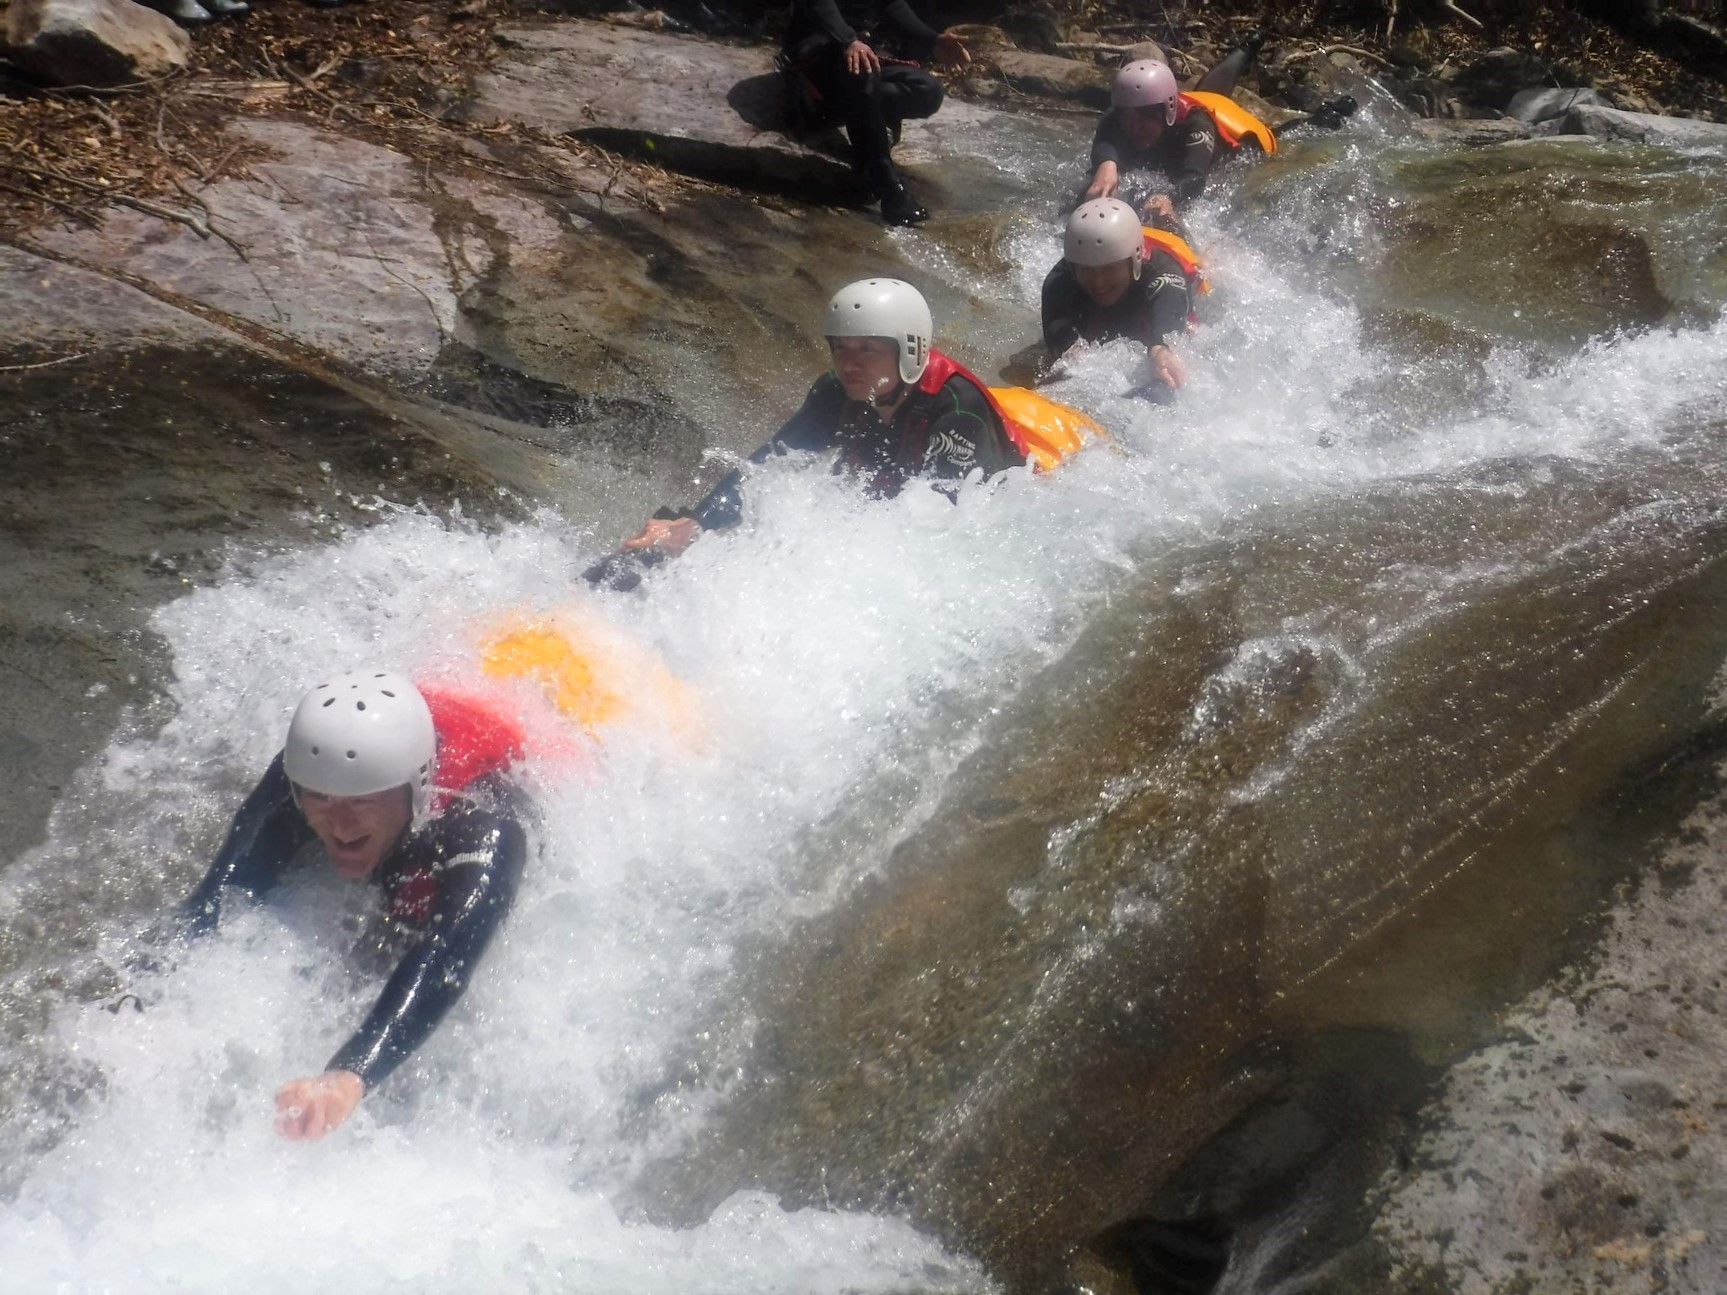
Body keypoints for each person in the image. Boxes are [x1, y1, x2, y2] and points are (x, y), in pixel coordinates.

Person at [180, 670, 529, 1141]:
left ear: (416, 788)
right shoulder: (312, 769)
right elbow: (215, 901)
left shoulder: (484, 823)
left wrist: (350, 1072)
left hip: (530, 731)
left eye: (362, 802)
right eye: (320, 800)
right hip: (424, 715)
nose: (339, 824)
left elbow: (447, 955)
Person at [610, 278, 1027, 567]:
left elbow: (938, 528)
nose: (849, 363)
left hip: (993, 510)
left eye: (867, 349)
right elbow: (770, 463)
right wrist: (698, 523)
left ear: (910, 351)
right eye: (840, 347)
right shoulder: (836, 390)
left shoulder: (957, 410)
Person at [780, 0, 972, 225]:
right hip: (815, 56)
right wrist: (849, 40)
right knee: (863, 73)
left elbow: (891, 5)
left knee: (928, 90)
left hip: (855, 61)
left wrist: (933, 40)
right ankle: (889, 187)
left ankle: (862, 112)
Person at [1082, 33, 1268, 216]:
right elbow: (1107, 126)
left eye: (1144, 119)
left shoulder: (1196, 124)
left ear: (1167, 113)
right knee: (1206, 92)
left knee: (1213, 96)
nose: (1134, 128)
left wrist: (1169, 198)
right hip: (1186, 101)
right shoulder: (1118, 117)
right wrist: (1107, 164)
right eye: (1127, 118)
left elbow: (1194, 178)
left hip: (1232, 144)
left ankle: (1245, 50)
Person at [1041, 198, 1204, 395]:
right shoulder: (1059, 280)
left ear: (1134, 262)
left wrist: (1161, 349)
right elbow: (1058, 331)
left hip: (1169, 251)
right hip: (1126, 246)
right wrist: (1072, 353)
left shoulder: (1162, 271)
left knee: (1204, 267)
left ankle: (1165, 211)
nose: (1098, 282)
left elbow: (1169, 308)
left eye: (1109, 269)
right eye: (1087, 270)